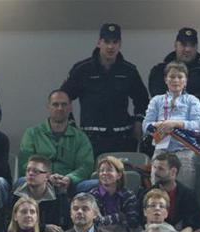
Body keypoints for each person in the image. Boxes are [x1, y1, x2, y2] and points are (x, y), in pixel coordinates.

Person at [60, 23, 149, 156]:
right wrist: (71, 125)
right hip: (91, 139)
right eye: (106, 42)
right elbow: (63, 97)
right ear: (99, 43)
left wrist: (139, 121)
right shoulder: (82, 69)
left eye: (115, 42)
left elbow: (142, 99)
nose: (110, 46)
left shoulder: (129, 70)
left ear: (120, 44)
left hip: (123, 138)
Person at [142, 61, 200, 189]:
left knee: (184, 189)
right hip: (161, 150)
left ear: (186, 81)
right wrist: (160, 125)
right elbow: (145, 126)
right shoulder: (156, 100)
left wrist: (175, 124)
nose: (176, 80)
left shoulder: (192, 100)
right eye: (172, 77)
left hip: (184, 151)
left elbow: (197, 125)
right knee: (158, 190)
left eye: (180, 77)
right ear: (166, 79)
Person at [17, 91, 94, 192]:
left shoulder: (80, 137)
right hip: (39, 182)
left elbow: (86, 166)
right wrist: (46, 177)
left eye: (64, 104)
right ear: (48, 107)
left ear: (70, 108)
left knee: (94, 184)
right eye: (55, 104)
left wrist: (69, 178)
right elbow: (24, 163)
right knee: (21, 181)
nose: (60, 108)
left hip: (71, 185)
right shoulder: (32, 134)